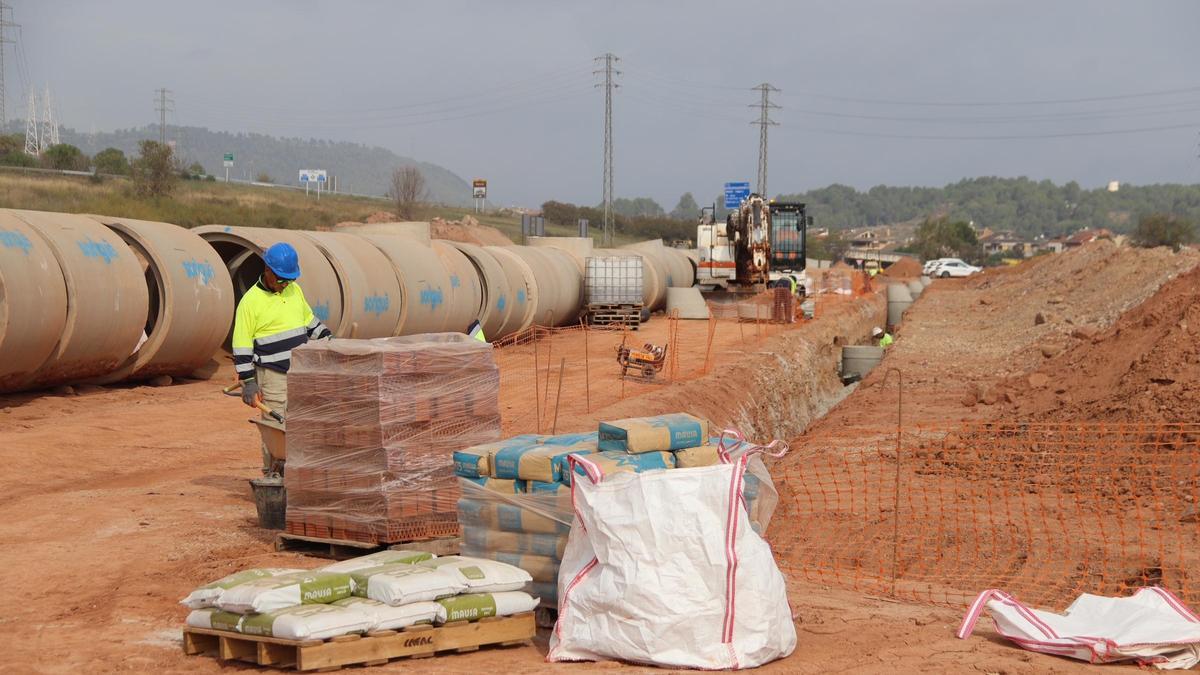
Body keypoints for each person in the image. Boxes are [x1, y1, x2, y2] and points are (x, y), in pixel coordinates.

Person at [231, 242, 332, 473]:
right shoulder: (250, 302)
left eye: (290, 279)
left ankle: (295, 477)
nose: (286, 284)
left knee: (299, 424)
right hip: (272, 376)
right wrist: (248, 382)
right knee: (275, 428)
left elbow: (309, 322)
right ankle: (272, 477)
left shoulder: (294, 291)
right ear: (267, 270)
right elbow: (242, 345)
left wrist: (328, 339)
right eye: (282, 279)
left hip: (299, 373)